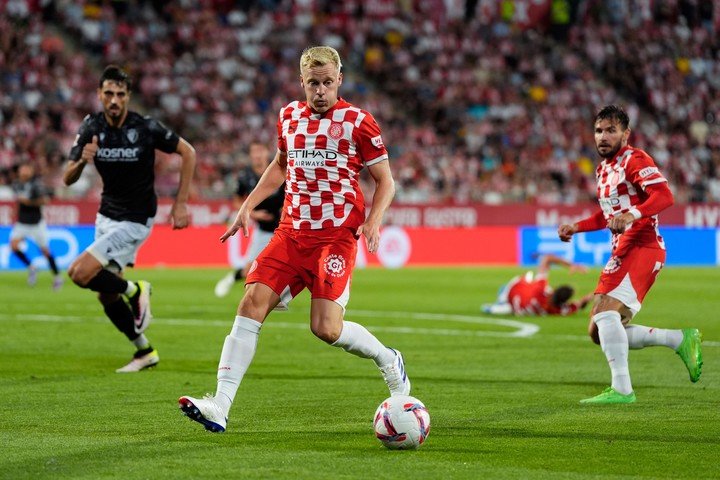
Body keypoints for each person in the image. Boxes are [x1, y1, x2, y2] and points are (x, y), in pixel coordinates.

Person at [179, 45, 409, 433]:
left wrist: (373, 221)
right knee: (251, 301)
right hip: (291, 233)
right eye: (312, 83)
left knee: (326, 328)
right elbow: (281, 165)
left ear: (339, 79)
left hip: (335, 237)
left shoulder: (358, 122)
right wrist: (247, 206)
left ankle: (388, 359)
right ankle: (220, 404)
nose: (320, 91)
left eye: (326, 83)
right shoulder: (288, 116)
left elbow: (386, 180)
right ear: (302, 82)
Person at [558, 105, 702, 404]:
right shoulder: (603, 169)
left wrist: (633, 214)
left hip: (643, 245)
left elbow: (664, 195)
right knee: (599, 330)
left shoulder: (635, 159)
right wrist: (577, 227)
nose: (603, 136)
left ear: (626, 133)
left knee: (604, 314)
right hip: (624, 247)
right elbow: (607, 214)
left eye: (611, 130)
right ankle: (679, 339)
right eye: (599, 130)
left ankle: (622, 390)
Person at [63, 65, 196, 373]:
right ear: (99, 94)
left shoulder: (145, 127)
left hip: (136, 218)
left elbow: (188, 152)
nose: (114, 99)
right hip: (106, 215)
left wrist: (181, 204)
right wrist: (83, 161)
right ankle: (144, 351)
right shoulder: (90, 127)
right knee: (105, 292)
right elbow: (68, 178)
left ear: (128, 97)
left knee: (79, 273)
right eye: (108, 93)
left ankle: (136, 290)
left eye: (120, 94)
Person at [213, 141, 284, 298]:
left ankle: (282, 297)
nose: (257, 155)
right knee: (249, 270)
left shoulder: (280, 169)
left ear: (267, 152)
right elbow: (237, 200)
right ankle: (232, 278)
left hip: (285, 227)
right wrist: (253, 214)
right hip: (264, 229)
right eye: (254, 152)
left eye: (260, 150)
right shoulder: (246, 176)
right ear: (251, 155)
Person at [481, 254, 593, 316]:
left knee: (528, 276)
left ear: (554, 290)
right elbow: (582, 302)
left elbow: (547, 258)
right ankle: (498, 305)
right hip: (516, 307)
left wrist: (571, 265)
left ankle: (500, 301)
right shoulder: (557, 311)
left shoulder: (541, 288)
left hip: (512, 290)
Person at [10, 163, 63, 290]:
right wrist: (15, 211)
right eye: (22, 169)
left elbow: (45, 200)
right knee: (13, 246)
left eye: (27, 169)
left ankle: (57, 277)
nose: (24, 172)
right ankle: (32, 267)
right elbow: (19, 200)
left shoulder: (36, 185)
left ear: (31, 171)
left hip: (36, 223)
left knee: (45, 251)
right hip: (22, 223)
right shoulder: (16, 184)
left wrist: (29, 202)